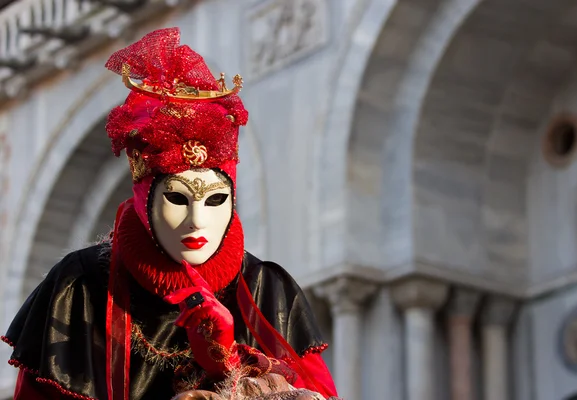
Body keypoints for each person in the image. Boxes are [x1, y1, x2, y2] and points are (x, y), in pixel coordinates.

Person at [2, 28, 337, 400]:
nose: (197, 220)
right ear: (145, 199)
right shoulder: (80, 286)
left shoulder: (263, 288)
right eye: (177, 199)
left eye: (214, 201)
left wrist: (227, 363)